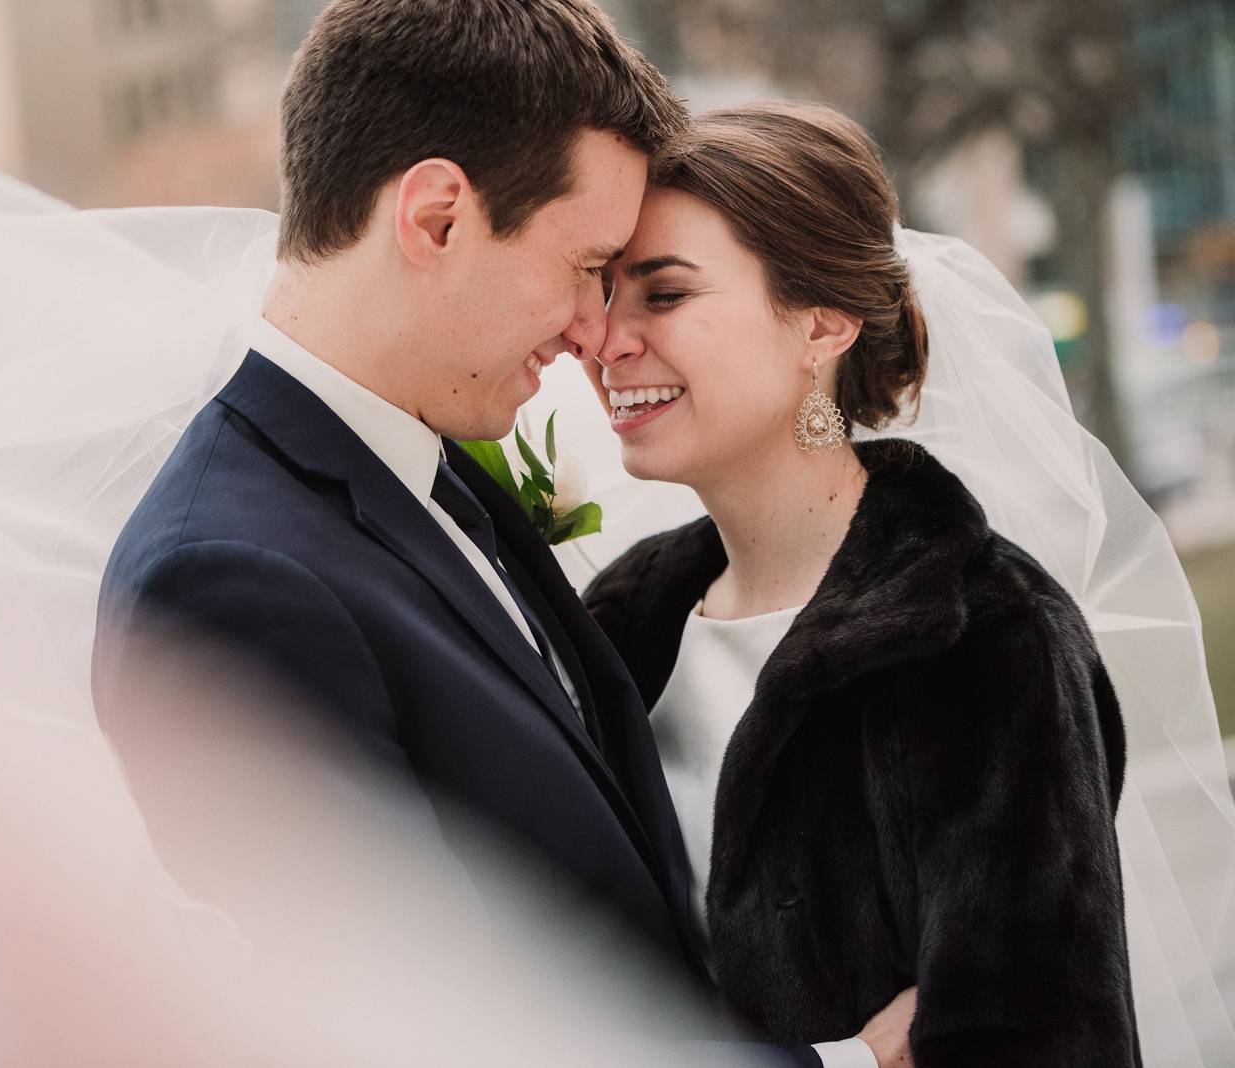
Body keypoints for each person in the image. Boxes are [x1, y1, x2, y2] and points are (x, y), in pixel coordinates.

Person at [91, 4, 908, 1064]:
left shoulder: (419, 474)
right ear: (435, 217)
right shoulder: (229, 582)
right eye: (586, 265)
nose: (591, 333)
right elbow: (433, 1029)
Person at [578, 101, 1142, 1065]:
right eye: (604, 293)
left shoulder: (985, 634)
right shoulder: (618, 629)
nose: (606, 340)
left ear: (823, 324)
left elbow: (1049, 1038)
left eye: (663, 295)